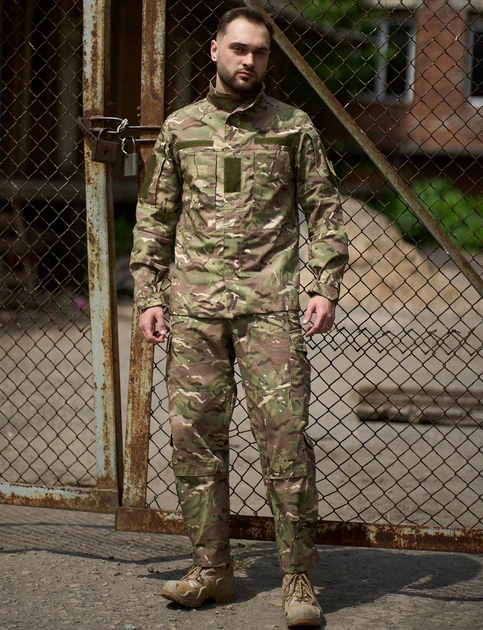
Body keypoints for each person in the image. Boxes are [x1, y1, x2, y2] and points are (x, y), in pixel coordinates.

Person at [130, 7, 348, 628]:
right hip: (194, 311)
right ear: (214, 50)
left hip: (269, 310)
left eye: (259, 52)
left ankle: (298, 577)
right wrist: (149, 295)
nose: (249, 60)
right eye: (239, 48)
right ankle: (212, 569)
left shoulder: (292, 127)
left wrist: (324, 286)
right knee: (194, 441)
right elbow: (155, 216)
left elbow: (324, 210)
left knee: (285, 442)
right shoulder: (181, 128)